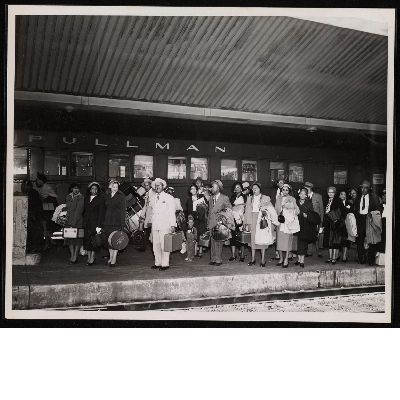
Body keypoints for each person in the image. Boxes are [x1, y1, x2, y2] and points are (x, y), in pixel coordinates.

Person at [149, 178, 176, 271]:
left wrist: (173, 225)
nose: (157, 187)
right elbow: (152, 212)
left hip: (165, 225)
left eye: (159, 185)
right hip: (155, 225)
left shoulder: (169, 197)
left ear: (163, 186)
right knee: (155, 245)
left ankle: (165, 264)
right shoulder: (152, 198)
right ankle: (158, 263)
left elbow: (172, 212)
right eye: (156, 186)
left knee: (165, 245)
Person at [243, 182, 272, 267]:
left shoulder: (266, 198)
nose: (254, 190)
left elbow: (270, 209)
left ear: (260, 189)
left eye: (256, 188)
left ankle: (263, 260)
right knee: (253, 240)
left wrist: (264, 210)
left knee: (262, 239)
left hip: (261, 220)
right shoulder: (249, 198)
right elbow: (247, 212)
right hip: (252, 219)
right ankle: (253, 259)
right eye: (253, 188)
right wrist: (246, 223)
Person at [354, 180, 381, 265]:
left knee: (371, 240)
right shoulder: (358, 198)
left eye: (366, 188)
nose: (363, 189)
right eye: (362, 187)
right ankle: (361, 258)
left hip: (369, 219)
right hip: (360, 219)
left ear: (369, 189)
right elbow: (355, 209)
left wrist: (372, 214)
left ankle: (371, 260)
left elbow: (379, 209)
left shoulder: (374, 197)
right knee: (360, 240)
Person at [207, 180, 232, 266]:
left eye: (213, 187)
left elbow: (229, 209)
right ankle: (213, 258)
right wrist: (208, 223)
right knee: (212, 242)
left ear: (218, 188)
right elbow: (209, 211)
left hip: (219, 222)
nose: (211, 189)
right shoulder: (210, 198)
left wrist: (222, 216)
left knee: (218, 242)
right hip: (211, 222)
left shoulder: (225, 198)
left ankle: (218, 259)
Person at [275, 183, 300, 268]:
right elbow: (275, 210)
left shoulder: (292, 199)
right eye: (283, 190)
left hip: (288, 223)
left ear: (289, 191)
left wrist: (290, 209)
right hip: (280, 222)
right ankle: (281, 258)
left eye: (286, 190)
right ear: (281, 190)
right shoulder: (278, 198)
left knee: (287, 242)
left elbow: (297, 210)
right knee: (279, 242)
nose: (285, 191)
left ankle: (286, 259)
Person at [103, 180, 126, 267]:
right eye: (113, 187)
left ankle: (114, 259)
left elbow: (123, 210)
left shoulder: (121, 196)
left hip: (117, 221)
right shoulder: (107, 196)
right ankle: (111, 257)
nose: (115, 188)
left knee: (115, 240)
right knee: (109, 241)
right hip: (107, 221)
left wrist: (122, 223)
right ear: (110, 187)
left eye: (116, 187)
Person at [295, 187, 320, 268]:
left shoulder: (309, 203)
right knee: (297, 242)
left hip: (305, 225)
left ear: (306, 195)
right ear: (299, 194)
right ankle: (298, 260)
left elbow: (312, 214)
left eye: (304, 194)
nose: (302, 195)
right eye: (301, 194)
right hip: (296, 224)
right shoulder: (296, 202)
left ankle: (302, 261)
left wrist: (307, 215)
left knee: (302, 242)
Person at [82, 182, 106, 266]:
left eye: (96, 189)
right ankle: (89, 257)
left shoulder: (101, 199)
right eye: (92, 189)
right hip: (87, 223)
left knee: (94, 241)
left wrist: (99, 226)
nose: (94, 190)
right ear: (90, 189)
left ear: (98, 190)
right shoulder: (86, 198)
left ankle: (92, 258)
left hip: (95, 223)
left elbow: (101, 213)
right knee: (87, 241)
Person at [34, 172, 58, 250]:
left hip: (48, 209)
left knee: (46, 226)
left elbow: (54, 196)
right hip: (46, 208)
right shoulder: (42, 188)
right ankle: (50, 242)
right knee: (45, 227)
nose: (36, 181)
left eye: (38, 180)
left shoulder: (46, 188)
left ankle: (49, 243)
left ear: (41, 180)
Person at [21, 179, 44, 252]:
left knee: (34, 232)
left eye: (24, 186)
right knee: (32, 232)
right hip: (33, 215)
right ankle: (33, 247)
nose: (22, 187)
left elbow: (34, 205)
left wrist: (33, 214)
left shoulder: (33, 193)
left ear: (27, 186)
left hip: (34, 215)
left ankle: (34, 247)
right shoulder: (30, 192)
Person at [64, 182, 85, 264]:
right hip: (68, 221)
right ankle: (72, 255)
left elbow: (78, 211)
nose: (76, 190)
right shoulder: (68, 196)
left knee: (77, 240)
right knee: (69, 239)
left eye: (77, 188)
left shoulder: (81, 197)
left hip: (77, 221)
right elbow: (67, 208)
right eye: (74, 188)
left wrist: (73, 223)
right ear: (71, 189)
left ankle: (75, 256)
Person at [186, 184, 208, 258]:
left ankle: (200, 251)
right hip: (195, 219)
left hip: (202, 219)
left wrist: (203, 206)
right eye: (192, 189)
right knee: (195, 235)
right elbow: (189, 212)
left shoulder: (201, 197)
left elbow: (206, 207)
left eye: (195, 188)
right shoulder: (189, 201)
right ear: (190, 191)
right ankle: (195, 250)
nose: (193, 190)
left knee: (201, 234)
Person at [304, 182, 324, 258]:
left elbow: (321, 208)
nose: (305, 189)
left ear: (310, 188)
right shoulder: (304, 196)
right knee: (309, 234)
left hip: (316, 218)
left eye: (307, 188)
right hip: (308, 219)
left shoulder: (318, 196)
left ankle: (318, 251)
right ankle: (309, 251)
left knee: (317, 235)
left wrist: (321, 220)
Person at [323, 186, 343, 265]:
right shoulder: (326, 201)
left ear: (335, 193)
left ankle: (334, 257)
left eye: (332, 192)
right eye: (329, 192)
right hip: (328, 223)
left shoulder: (338, 201)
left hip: (335, 223)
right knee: (329, 240)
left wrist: (337, 220)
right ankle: (330, 257)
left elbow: (341, 212)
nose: (330, 194)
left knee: (335, 240)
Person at [229, 182, 247, 262]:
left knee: (242, 237)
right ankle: (233, 255)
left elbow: (246, 207)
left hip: (242, 218)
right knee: (233, 237)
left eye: (238, 187)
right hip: (233, 219)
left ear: (241, 188)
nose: (237, 189)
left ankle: (242, 255)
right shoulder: (232, 197)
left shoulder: (245, 197)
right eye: (235, 187)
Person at [136, 178, 155, 252]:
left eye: (147, 185)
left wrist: (150, 218)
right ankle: (143, 247)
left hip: (152, 217)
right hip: (148, 216)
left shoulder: (153, 193)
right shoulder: (147, 194)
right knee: (147, 232)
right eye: (145, 185)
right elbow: (145, 206)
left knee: (150, 233)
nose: (146, 187)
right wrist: (141, 215)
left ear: (150, 185)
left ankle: (145, 247)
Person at [338, 190, 354, 263]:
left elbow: (352, 213)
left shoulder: (349, 203)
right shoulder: (336, 203)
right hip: (338, 224)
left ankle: (344, 255)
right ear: (339, 195)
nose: (343, 196)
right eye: (341, 194)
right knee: (338, 240)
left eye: (344, 194)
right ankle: (337, 255)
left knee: (346, 240)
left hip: (347, 224)